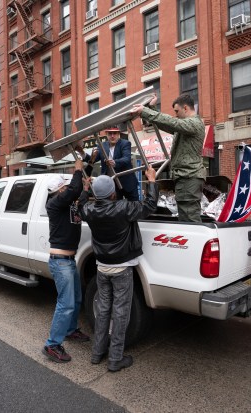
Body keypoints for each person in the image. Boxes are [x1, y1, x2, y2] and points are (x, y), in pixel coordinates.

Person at [79, 166, 159, 372]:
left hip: (102, 268)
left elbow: (80, 206)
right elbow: (149, 206)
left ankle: (97, 353)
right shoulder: (123, 208)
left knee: (104, 310)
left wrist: (85, 189)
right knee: (121, 312)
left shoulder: (89, 210)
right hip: (122, 268)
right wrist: (151, 181)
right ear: (113, 193)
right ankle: (115, 359)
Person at [43, 159, 91, 363]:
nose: (68, 189)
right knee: (66, 303)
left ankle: (70, 330)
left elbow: (77, 195)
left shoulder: (67, 203)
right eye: (64, 187)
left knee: (76, 300)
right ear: (58, 191)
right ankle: (52, 344)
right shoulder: (54, 204)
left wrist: (86, 189)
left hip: (69, 260)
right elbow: (73, 191)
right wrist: (78, 169)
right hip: (60, 261)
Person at [132, 94, 206, 222]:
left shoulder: (194, 123)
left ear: (186, 108)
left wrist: (144, 111)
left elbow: (171, 122)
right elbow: (167, 125)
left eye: (177, 111)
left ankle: (195, 241)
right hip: (186, 176)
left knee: (189, 218)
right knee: (185, 216)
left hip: (189, 176)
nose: (175, 114)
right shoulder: (185, 127)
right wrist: (152, 108)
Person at [77, 126, 140, 201]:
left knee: (135, 206)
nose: (112, 136)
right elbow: (92, 160)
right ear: (106, 134)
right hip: (112, 185)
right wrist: (81, 152)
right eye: (110, 133)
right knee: (115, 209)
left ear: (118, 134)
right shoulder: (102, 145)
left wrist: (114, 162)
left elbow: (127, 159)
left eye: (114, 133)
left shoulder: (125, 143)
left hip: (128, 182)